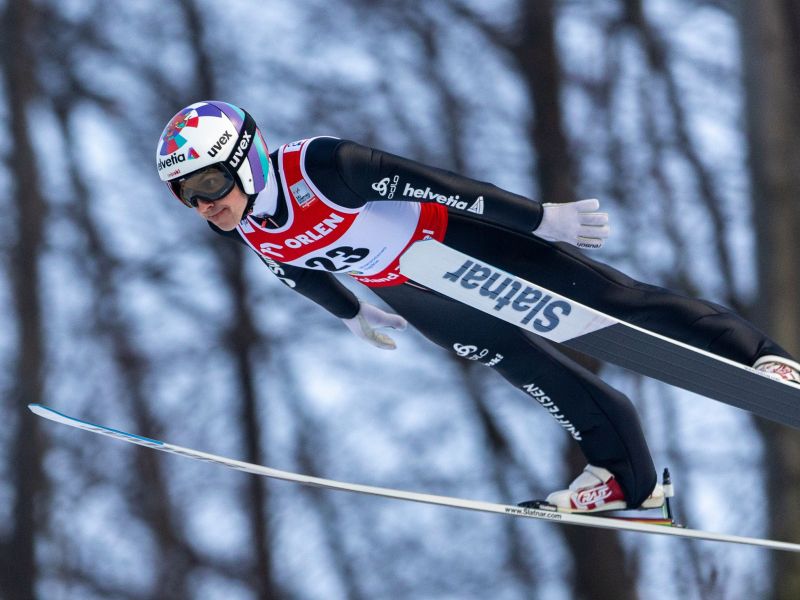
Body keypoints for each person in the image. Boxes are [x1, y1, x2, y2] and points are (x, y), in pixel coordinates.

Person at [155, 100, 800, 513]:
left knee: (613, 304)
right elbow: (298, 274)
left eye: (209, 182)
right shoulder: (247, 228)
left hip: (460, 239)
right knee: (528, 368)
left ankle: (763, 361)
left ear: (245, 158)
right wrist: (351, 313)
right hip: (415, 287)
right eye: (187, 194)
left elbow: (439, 185)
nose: (204, 202)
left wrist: (538, 220)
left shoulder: (323, 168)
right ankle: (627, 481)